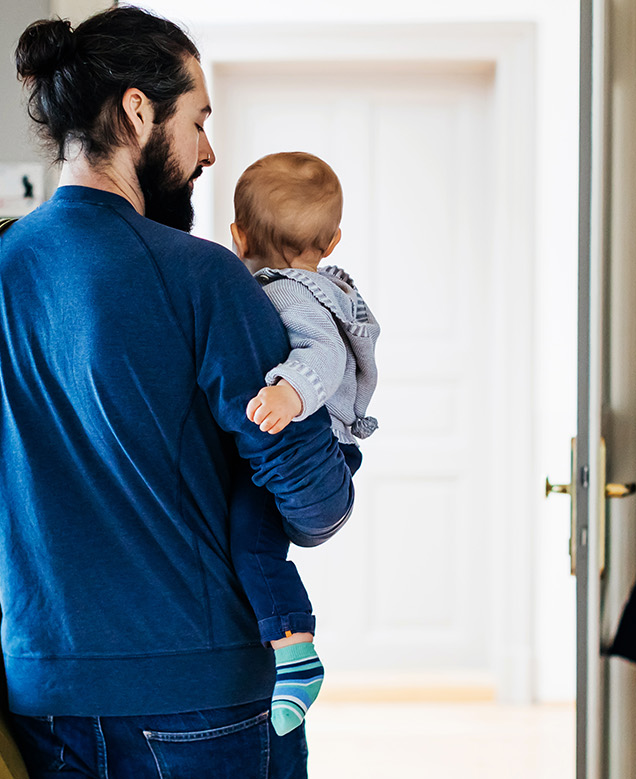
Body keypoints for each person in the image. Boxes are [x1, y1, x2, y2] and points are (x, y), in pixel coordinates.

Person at [0, 8, 355, 778]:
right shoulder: (203, 274)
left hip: (44, 690)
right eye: (198, 120)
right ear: (139, 112)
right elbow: (314, 502)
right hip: (197, 697)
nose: (209, 151)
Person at [227, 152, 380, 737]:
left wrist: (290, 394)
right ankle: (288, 649)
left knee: (252, 544)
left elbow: (324, 355)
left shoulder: (291, 294)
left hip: (325, 447)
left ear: (238, 235)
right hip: (319, 445)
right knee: (250, 543)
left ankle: (297, 654)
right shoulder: (294, 286)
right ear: (334, 239)